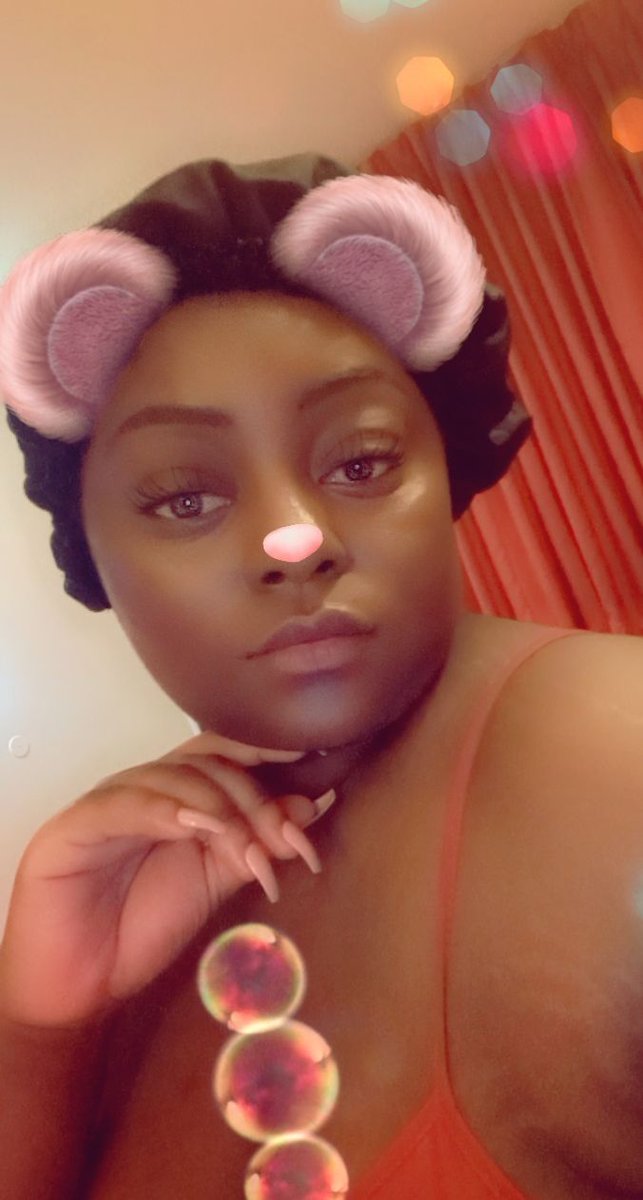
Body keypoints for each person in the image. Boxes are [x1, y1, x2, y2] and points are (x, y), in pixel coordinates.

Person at [0, 152, 641, 1200]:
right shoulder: (138, 899)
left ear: (447, 465)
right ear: (91, 556)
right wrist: (43, 1023)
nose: (294, 539)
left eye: (359, 462)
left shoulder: (616, 757)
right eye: (184, 497)